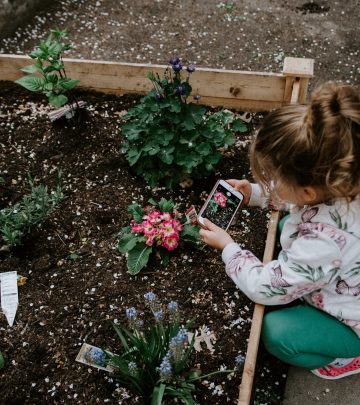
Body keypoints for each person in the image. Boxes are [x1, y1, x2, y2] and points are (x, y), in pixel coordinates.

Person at [199, 82, 360, 380]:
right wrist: (257, 194)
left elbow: (264, 288)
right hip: (343, 269)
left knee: (277, 333)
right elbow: (300, 201)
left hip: (352, 320)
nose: (271, 180)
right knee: (288, 225)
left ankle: (345, 357)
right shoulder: (346, 178)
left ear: (309, 191)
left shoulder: (322, 244)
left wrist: (229, 248)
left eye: (275, 177)